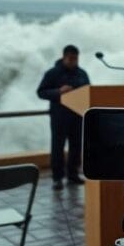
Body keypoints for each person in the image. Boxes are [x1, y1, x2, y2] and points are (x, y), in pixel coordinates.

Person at [37, 45, 90, 190]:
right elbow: (41, 92)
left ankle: (73, 175)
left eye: (76, 58)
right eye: (71, 58)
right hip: (59, 116)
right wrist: (58, 91)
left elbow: (88, 90)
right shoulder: (52, 73)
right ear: (64, 57)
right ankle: (57, 178)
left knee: (76, 146)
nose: (73, 61)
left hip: (77, 115)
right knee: (58, 147)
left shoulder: (82, 73)